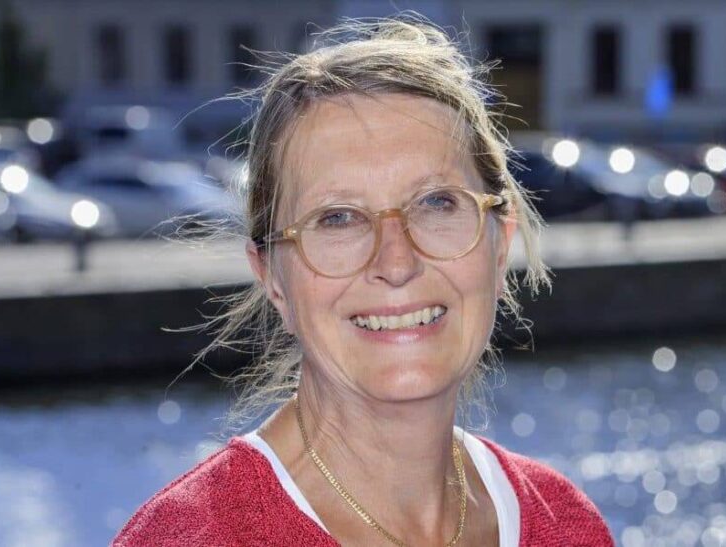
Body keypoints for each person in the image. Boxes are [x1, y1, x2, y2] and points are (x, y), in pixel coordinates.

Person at [113, 16, 614, 547]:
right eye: (338, 218)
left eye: (436, 202)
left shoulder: (566, 525)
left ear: (499, 245)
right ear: (272, 277)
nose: (396, 262)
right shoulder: (191, 537)